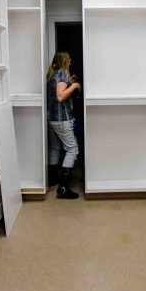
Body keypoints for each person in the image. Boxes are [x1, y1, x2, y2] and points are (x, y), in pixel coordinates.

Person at [46, 52, 81, 199]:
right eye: (69, 58)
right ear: (65, 61)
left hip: (52, 119)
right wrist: (74, 86)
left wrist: (69, 82)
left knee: (55, 148)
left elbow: (58, 91)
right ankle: (63, 187)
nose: (71, 60)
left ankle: (53, 179)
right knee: (72, 149)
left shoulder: (53, 74)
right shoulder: (61, 73)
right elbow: (60, 96)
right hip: (62, 119)